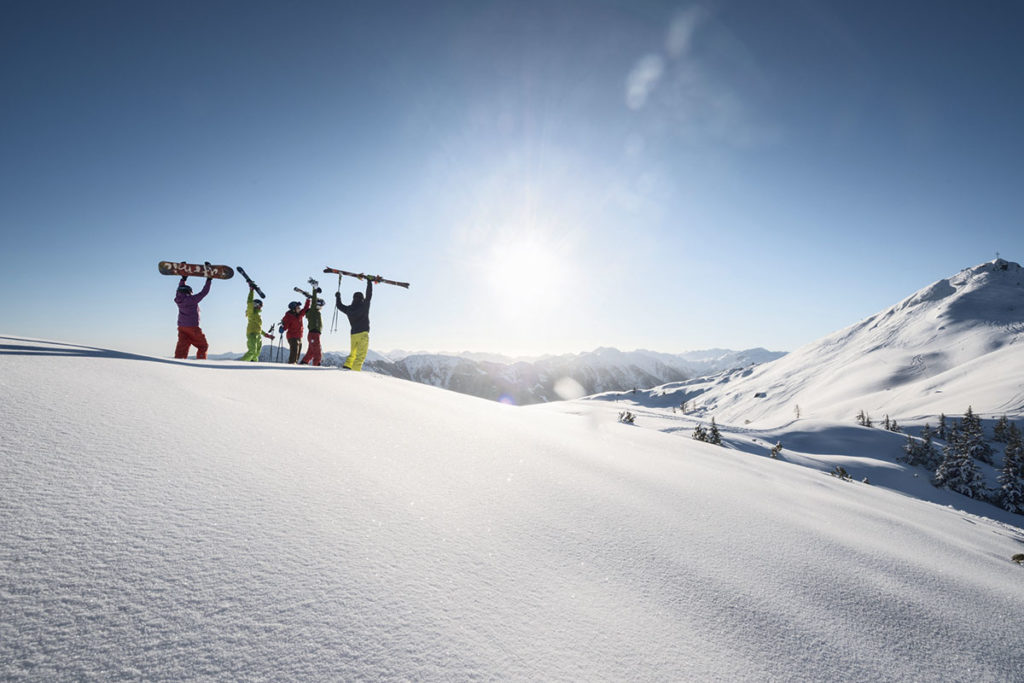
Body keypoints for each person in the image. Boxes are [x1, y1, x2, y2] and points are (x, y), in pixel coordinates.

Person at [335, 274, 376, 371]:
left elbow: (339, 306)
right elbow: (369, 294)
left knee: (353, 353)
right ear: (362, 298)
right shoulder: (364, 306)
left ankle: (347, 366)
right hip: (363, 334)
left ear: (353, 298)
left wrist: (338, 297)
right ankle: (355, 374)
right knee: (360, 355)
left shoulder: (349, 309)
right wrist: (369, 282)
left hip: (353, 334)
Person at [174, 265, 213, 359]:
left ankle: (178, 364)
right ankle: (200, 363)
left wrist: (183, 278)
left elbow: (180, 289)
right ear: (189, 292)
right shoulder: (192, 299)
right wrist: (209, 280)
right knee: (203, 346)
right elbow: (204, 292)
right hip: (192, 327)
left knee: (182, 347)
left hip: (182, 327)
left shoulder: (179, 299)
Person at [240, 285, 274, 362]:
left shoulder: (258, 315)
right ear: (256, 305)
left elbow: (259, 328)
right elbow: (249, 302)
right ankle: (239, 364)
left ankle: (253, 367)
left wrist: (267, 335)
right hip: (252, 334)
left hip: (258, 335)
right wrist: (251, 291)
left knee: (257, 353)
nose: (261, 308)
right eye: (260, 306)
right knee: (252, 351)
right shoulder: (251, 312)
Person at [280, 298, 310, 364]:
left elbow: (305, 308)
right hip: (292, 336)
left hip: (299, 336)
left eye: (299, 307)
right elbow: (285, 325)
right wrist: (282, 328)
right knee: (294, 350)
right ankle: (291, 363)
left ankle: (294, 363)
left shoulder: (300, 315)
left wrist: (308, 300)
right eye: (298, 308)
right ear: (293, 309)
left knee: (298, 351)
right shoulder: (288, 316)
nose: (299, 309)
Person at [300, 290, 325, 366]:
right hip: (314, 334)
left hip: (314, 334)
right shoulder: (313, 311)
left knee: (311, 352)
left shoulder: (315, 312)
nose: (321, 307)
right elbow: (313, 301)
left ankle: (304, 363)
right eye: (321, 305)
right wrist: (315, 289)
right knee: (317, 352)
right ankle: (316, 366)